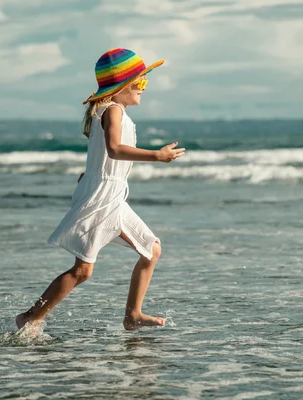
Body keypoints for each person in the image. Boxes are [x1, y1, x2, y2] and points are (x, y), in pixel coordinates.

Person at [16, 48, 185, 331]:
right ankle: (30, 317)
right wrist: (157, 155)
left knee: (151, 250)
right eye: (140, 82)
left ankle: (133, 315)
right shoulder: (113, 110)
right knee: (83, 271)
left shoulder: (111, 111)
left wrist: (90, 174)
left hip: (111, 195)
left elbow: (102, 155)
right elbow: (115, 149)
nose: (144, 88)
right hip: (103, 197)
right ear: (121, 86)